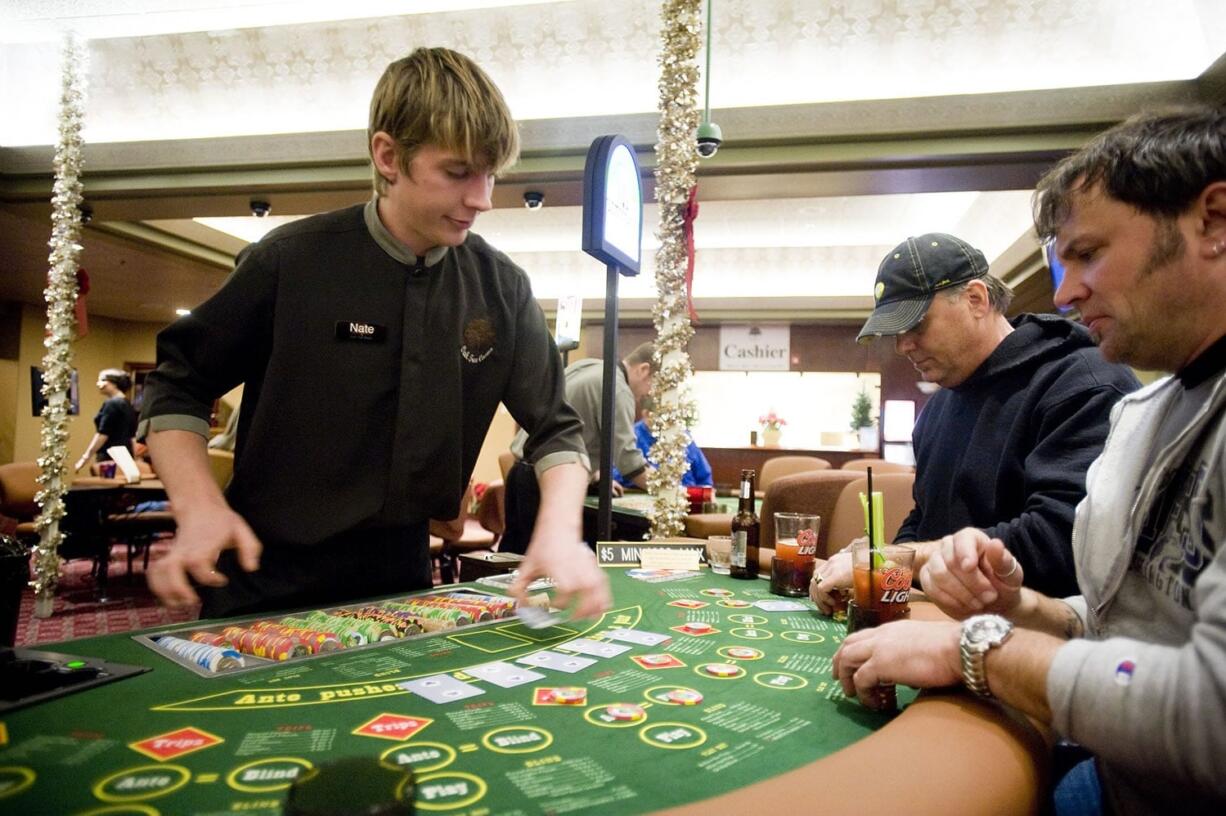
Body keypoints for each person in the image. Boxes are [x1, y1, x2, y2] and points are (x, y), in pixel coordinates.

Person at [832, 106, 1226, 815]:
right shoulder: (1153, 409)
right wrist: (1014, 605)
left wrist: (972, 645)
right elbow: (1115, 617)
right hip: (1103, 762)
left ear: (1215, 221)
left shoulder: (1089, 381)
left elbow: (1212, 708)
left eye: (1089, 253)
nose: (1069, 291)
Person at [138, 47, 609, 621]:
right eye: (458, 172)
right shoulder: (290, 261)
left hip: (403, 580)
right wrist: (199, 505)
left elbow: (558, 432)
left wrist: (561, 532)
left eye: (490, 175)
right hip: (265, 578)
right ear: (388, 156)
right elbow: (177, 385)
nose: (482, 198)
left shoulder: (501, 287)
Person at [812, 233, 1138, 609]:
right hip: (941, 626)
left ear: (976, 299)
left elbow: (1062, 541)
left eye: (916, 325)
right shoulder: (937, 408)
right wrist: (884, 575)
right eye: (896, 333)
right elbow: (926, 520)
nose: (903, 345)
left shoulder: (1081, 383)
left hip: (1041, 642)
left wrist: (891, 558)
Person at [502, 342, 655, 553]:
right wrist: (668, 491)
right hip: (546, 480)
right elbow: (629, 463)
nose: (649, 394)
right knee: (540, 562)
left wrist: (593, 473)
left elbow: (577, 428)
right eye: (653, 385)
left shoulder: (590, 367)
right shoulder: (617, 389)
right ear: (644, 369)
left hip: (522, 473)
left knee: (512, 557)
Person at [612, 416, 713, 488]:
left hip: (687, 499)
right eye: (662, 415)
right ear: (646, 414)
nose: (667, 421)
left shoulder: (683, 436)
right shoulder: (632, 436)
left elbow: (704, 476)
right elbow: (619, 472)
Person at [74, 368, 138, 473]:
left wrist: (85, 458)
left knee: (107, 485)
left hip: (109, 456)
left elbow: (103, 434)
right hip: (125, 456)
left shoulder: (112, 404)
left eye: (102, 380)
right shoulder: (127, 404)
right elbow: (132, 436)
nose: (98, 383)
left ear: (114, 383)